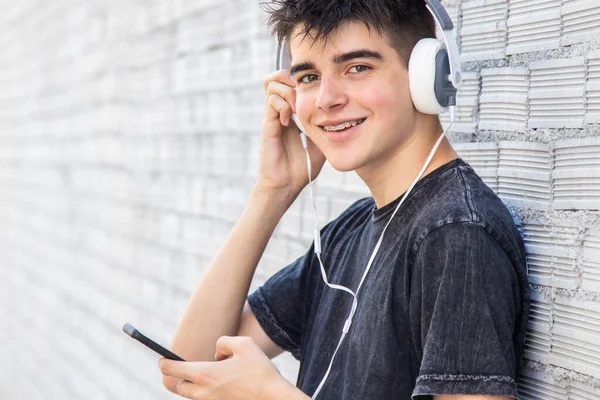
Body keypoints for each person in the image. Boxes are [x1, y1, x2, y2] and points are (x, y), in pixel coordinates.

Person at [158, 1, 530, 399]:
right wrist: (273, 191)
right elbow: (188, 365)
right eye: (308, 76)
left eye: (358, 68)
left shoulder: (456, 234)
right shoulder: (350, 231)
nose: (326, 99)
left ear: (428, 76)